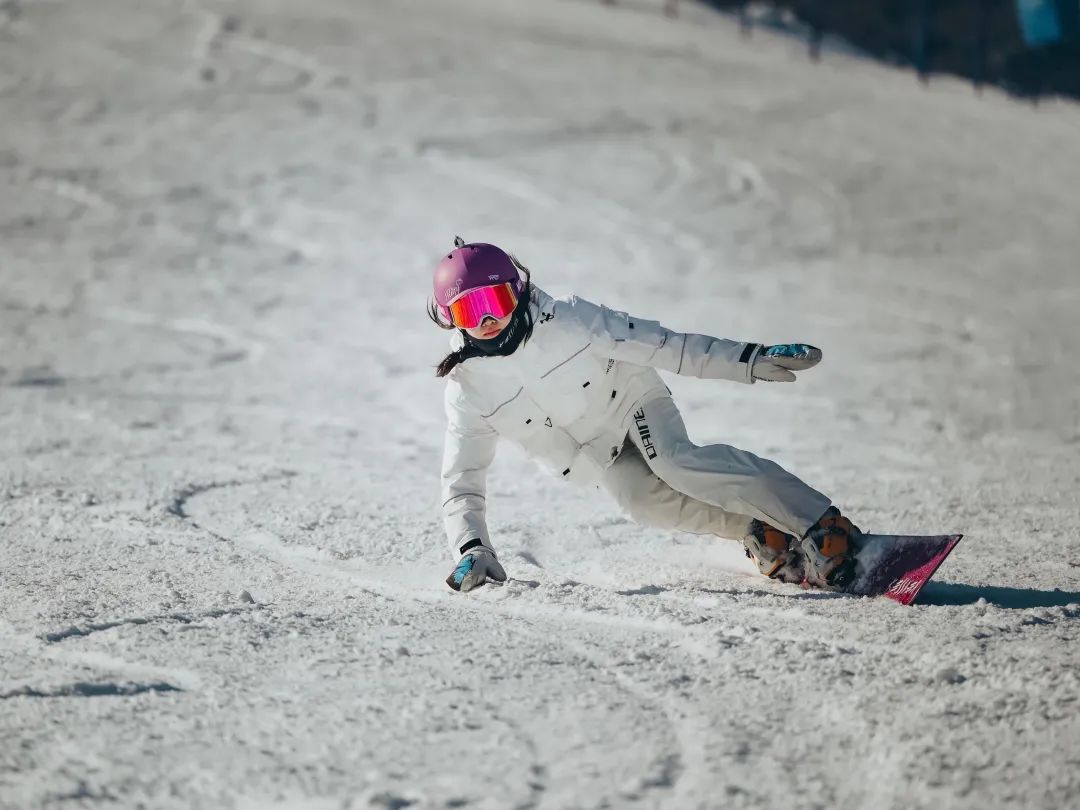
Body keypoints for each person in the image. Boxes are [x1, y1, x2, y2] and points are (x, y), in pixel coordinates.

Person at [429, 239, 862, 593]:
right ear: (451, 320)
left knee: (674, 461)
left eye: (497, 299)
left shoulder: (569, 320)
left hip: (632, 400)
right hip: (596, 452)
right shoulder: (469, 390)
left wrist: (747, 359)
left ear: (517, 291)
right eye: (471, 309)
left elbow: (663, 344)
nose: (488, 318)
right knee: (640, 501)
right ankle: (762, 530)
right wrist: (472, 547)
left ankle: (820, 522)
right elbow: (461, 479)